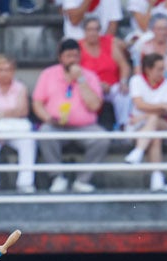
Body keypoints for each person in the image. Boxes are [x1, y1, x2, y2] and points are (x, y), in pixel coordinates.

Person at [32, 37, 107, 193]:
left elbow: (95, 105)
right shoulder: (48, 74)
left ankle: (82, 180)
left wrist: (80, 79)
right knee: (45, 133)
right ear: (61, 58)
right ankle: (57, 177)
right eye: (68, 56)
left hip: (85, 126)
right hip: (56, 125)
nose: (72, 60)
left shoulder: (90, 76)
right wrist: (48, 118)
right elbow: (37, 103)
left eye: (75, 56)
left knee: (102, 138)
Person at [124, 52, 167, 191]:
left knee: (154, 119)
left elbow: (166, 112)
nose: (163, 72)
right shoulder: (136, 80)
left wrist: (145, 115)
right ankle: (157, 176)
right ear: (148, 69)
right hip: (138, 126)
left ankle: (139, 151)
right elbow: (139, 105)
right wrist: (162, 106)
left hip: (163, 123)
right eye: (159, 69)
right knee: (155, 137)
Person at [0, 54, 35, 193]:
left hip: (17, 128)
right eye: (1, 70)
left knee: (28, 141)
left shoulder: (21, 87)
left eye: (8, 69)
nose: (5, 73)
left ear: (13, 71)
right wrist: (9, 113)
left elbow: (23, 111)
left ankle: (25, 183)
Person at [79, 16, 130, 128]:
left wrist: (124, 81)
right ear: (84, 31)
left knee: (123, 95)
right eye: (89, 30)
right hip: (90, 88)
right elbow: (77, 73)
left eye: (96, 29)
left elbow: (124, 65)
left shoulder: (109, 43)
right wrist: (97, 85)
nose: (93, 33)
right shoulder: (78, 47)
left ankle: (124, 126)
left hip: (112, 87)